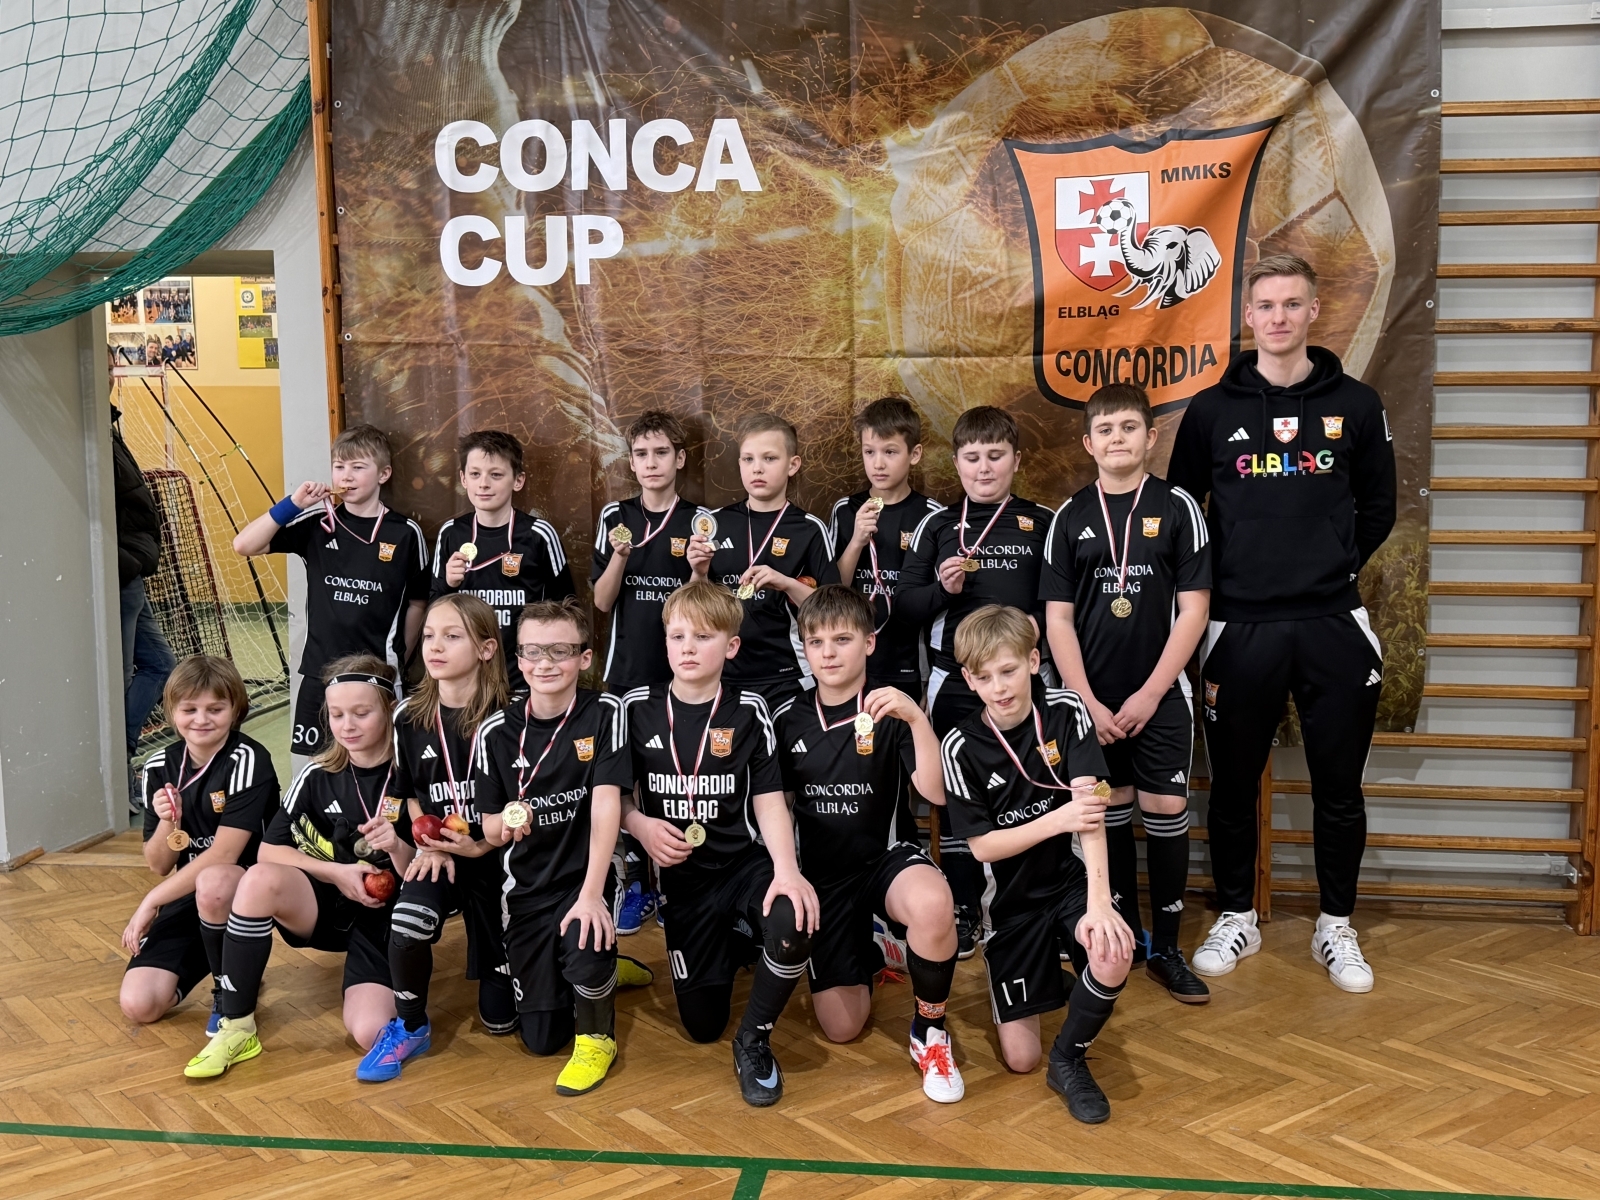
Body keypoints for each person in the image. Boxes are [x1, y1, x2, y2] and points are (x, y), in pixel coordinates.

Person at [1167, 253, 1396, 994]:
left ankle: (1336, 924)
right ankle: (1237, 915)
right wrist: (1237, 579)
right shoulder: (1211, 409)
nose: (1278, 317)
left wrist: (1327, 565)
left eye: (1292, 304)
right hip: (1238, 628)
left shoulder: (1356, 403)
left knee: (1339, 788)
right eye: (1265, 305)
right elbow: (1183, 512)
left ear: (1314, 311)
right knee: (1232, 787)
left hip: (1332, 621)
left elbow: (1380, 506)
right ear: (1248, 316)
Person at [1042, 383, 1211, 1004]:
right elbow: (1058, 620)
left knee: (1164, 807)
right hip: (1091, 703)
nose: (1118, 438)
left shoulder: (1178, 506)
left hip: (1158, 696)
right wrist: (1086, 701)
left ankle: (1166, 948)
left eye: (1129, 427)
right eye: (1106, 429)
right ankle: (1121, 936)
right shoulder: (1069, 517)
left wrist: (1149, 694)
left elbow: (1194, 611)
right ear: (1088, 443)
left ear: (1151, 436)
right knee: (1106, 809)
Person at [619, 580, 817, 1107]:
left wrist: (786, 870)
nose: (688, 648)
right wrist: (640, 825)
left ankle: (753, 1040)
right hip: (683, 882)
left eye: (703, 637)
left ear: (731, 646)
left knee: (792, 920)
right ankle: (735, 941)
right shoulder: (635, 708)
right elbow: (614, 797)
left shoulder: (750, 709)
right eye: (677, 636)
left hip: (742, 867)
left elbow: (769, 800)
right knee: (701, 1026)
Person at [939, 605, 1132, 1123]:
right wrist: (1056, 818)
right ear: (968, 680)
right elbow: (982, 848)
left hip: (1069, 883)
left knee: (1113, 950)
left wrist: (1100, 902)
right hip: (1011, 906)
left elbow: (1092, 808)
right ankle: (1050, 982)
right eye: (984, 677)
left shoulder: (1066, 709)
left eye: (1008, 670)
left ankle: (1068, 1061)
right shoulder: (959, 745)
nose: (999, 687)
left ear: (1032, 660)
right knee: (1021, 1060)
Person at [184, 657, 415, 1078]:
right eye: (337, 715)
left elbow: (425, 870)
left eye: (361, 713)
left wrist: (397, 846)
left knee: (368, 1030)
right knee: (259, 878)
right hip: (325, 905)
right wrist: (336, 873)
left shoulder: (413, 773)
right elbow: (269, 850)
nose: (348, 726)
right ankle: (237, 1025)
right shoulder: (317, 773)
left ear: (389, 710)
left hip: (385, 917)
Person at [774, 586, 962, 1102]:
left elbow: (936, 793)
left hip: (885, 863)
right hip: (824, 879)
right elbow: (776, 806)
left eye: (842, 639)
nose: (828, 653)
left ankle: (930, 1032)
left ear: (869, 643)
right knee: (842, 1028)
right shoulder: (787, 716)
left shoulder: (891, 708)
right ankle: (877, 948)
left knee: (933, 903)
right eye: (816, 642)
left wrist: (917, 718)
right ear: (804, 649)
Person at [896, 405, 1055, 957]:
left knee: (1034, 791)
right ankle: (964, 908)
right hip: (955, 684)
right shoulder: (938, 526)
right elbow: (904, 608)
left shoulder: (1042, 521)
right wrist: (943, 590)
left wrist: (1040, 626)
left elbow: (1065, 604)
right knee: (957, 798)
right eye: (972, 457)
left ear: (1016, 460)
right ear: (956, 463)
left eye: (995, 456)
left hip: (1023, 682)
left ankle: (1034, 907)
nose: (983, 468)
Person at [477, 598, 653, 1095]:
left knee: (586, 933)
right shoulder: (495, 731)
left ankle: (599, 1039)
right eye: (533, 651)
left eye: (560, 650)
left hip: (587, 876)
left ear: (584, 658)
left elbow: (606, 806)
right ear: (517, 658)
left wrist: (592, 895)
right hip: (527, 889)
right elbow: (488, 828)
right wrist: (508, 822)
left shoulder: (605, 713)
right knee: (541, 1040)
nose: (545, 663)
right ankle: (602, 968)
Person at [355, 594, 516, 1081]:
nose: (435, 646)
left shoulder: (513, 714)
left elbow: (521, 804)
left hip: (501, 853)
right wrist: (430, 842)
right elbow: (408, 794)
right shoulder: (408, 715)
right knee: (407, 924)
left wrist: (481, 845)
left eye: (451, 636)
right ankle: (411, 1025)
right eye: (428, 636)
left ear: (487, 648)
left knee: (502, 1020)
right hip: (440, 853)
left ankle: (529, 966)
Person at [233, 425, 430, 759]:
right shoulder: (318, 524)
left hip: (376, 674)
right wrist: (293, 504)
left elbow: (418, 603)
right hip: (319, 673)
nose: (346, 476)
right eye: (339, 466)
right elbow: (244, 545)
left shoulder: (406, 533)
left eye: (358, 467)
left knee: (379, 761)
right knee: (322, 765)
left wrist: (399, 658)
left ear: (383, 474)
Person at [120, 656, 278, 1030]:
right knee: (139, 1004)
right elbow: (159, 864)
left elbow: (224, 855)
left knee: (215, 882)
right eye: (189, 709)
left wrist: (151, 900)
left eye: (215, 709)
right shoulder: (159, 765)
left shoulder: (247, 759)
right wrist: (167, 821)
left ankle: (230, 990)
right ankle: (231, 962)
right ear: (172, 712)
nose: (201, 719)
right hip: (191, 888)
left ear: (235, 709)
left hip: (245, 887)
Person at [592, 410, 698, 933]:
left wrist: (699, 570)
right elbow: (601, 600)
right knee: (625, 776)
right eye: (641, 454)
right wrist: (619, 557)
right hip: (627, 672)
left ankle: (679, 879)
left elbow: (705, 608)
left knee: (679, 771)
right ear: (631, 463)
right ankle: (634, 879)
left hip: (684, 675)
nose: (651, 463)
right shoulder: (616, 516)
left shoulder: (699, 521)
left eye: (661, 453)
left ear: (680, 459)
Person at [687, 412, 838, 709]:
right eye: (748, 459)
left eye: (769, 458)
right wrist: (699, 573)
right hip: (722, 676)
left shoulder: (809, 529)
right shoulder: (714, 524)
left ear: (792, 464)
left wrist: (785, 583)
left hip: (787, 677)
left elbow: (833, 612)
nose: (757, 468)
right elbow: (691, 609)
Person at [432, 429, 576, 674]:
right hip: (466, 673)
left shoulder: (539, 534)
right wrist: (448, 584)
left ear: (518, 480)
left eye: (496, 474)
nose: (483, 483)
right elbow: (433, 610)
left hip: (523, 675)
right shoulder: (451, 533)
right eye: (475, 474)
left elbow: (567, 608)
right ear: (463, 478)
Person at [828, 398, 944, 697]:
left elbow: (935, 596)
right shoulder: (845, 509)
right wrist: (857, 540)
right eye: (869, 452)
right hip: (851, 660)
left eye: (890, 452)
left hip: (910, 660)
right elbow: (833, 590)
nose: (878, 463)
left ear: (914, 454)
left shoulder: (932, 515)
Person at [112, 405, 176, 802]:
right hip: (119, 571)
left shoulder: (107, 427)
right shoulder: (86, 433)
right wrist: (125, 560)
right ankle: (119, 772)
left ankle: (122, 756)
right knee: (117, 678)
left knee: (161, 665)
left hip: (129, 572)